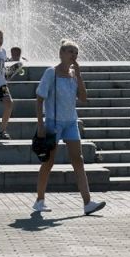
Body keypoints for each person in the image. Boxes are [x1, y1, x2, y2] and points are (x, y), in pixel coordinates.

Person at [33, 39, 106, 216]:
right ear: (61, 53)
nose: (74, 55)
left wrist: (79, 75)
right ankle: (40, 200)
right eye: (70, 51)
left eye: (76, 52)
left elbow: (83, 98)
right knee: (49, 161)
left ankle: (87, 202)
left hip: (71, 121)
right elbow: (40, 99)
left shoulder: (74, 75)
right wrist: (41, 124)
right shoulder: (51, 73)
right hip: (54, 122)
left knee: (78, 159)